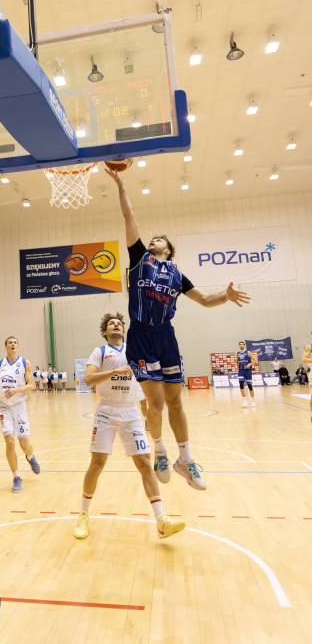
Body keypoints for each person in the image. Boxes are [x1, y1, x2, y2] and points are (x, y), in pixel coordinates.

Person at [107, 166, 251, 491]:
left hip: (166, 337)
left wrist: (225, 296)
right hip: (141, 337)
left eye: (160, 239)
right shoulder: (140, 259)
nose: (154, 239)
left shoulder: (176, 275)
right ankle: (159, 450)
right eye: (152, 238)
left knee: (176, 403)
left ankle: (184, 459)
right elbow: (130, 221)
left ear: (169, 250)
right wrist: (121, 186)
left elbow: (204, 299)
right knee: (155, 405)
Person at [74, 313, 185, 541]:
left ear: (124, 330)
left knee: (144, 462)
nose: (116, 325)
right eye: (111, 324)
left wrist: (145, 414)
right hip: (106, 411)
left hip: (131, 411)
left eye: (119, 323)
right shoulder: (100, 351)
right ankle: (83, 514)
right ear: (105, 332)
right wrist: (114, 372)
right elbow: (88, 379)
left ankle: (161, 520)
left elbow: (142, 386)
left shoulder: (135, 350)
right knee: (97, 464)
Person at [0, 336, 40, 492]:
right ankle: (16, 477)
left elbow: (31, 385)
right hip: (3, 407)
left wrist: (16, 390)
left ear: (18, 346)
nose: (13, 344)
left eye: (15, 342)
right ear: (5, 346)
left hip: (19, 406)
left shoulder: (25, 363)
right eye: (10, 342)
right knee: (10, 442)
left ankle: (30, 456)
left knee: (24, 445)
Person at [237, 341, 255, 407]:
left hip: (248, 371)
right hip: (241, 371)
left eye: (242, 344)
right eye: (240, 344)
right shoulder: (237, 353)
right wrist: (236, 366)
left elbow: (255, 359)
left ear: (244, 345)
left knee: (250, 386)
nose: (241, 345)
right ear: (239, 346)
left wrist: (250, 364)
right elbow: (236, 362)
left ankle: (253, 401)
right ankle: (245, 402)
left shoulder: (248, 352)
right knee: (241, 384)